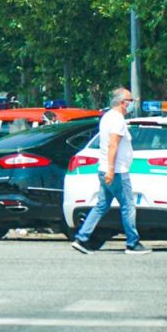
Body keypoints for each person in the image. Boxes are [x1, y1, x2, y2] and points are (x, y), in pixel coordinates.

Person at [71, 88, 151, 255]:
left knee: (102, 205)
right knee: (128, 206)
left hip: (105, 169)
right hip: (117, 172)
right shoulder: (117, 121)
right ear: (123, 103)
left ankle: (82, 238)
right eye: (131, 100)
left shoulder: (107, 117)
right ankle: (132, 243)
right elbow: (113, 145)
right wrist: (112, 170)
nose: (132, 103)